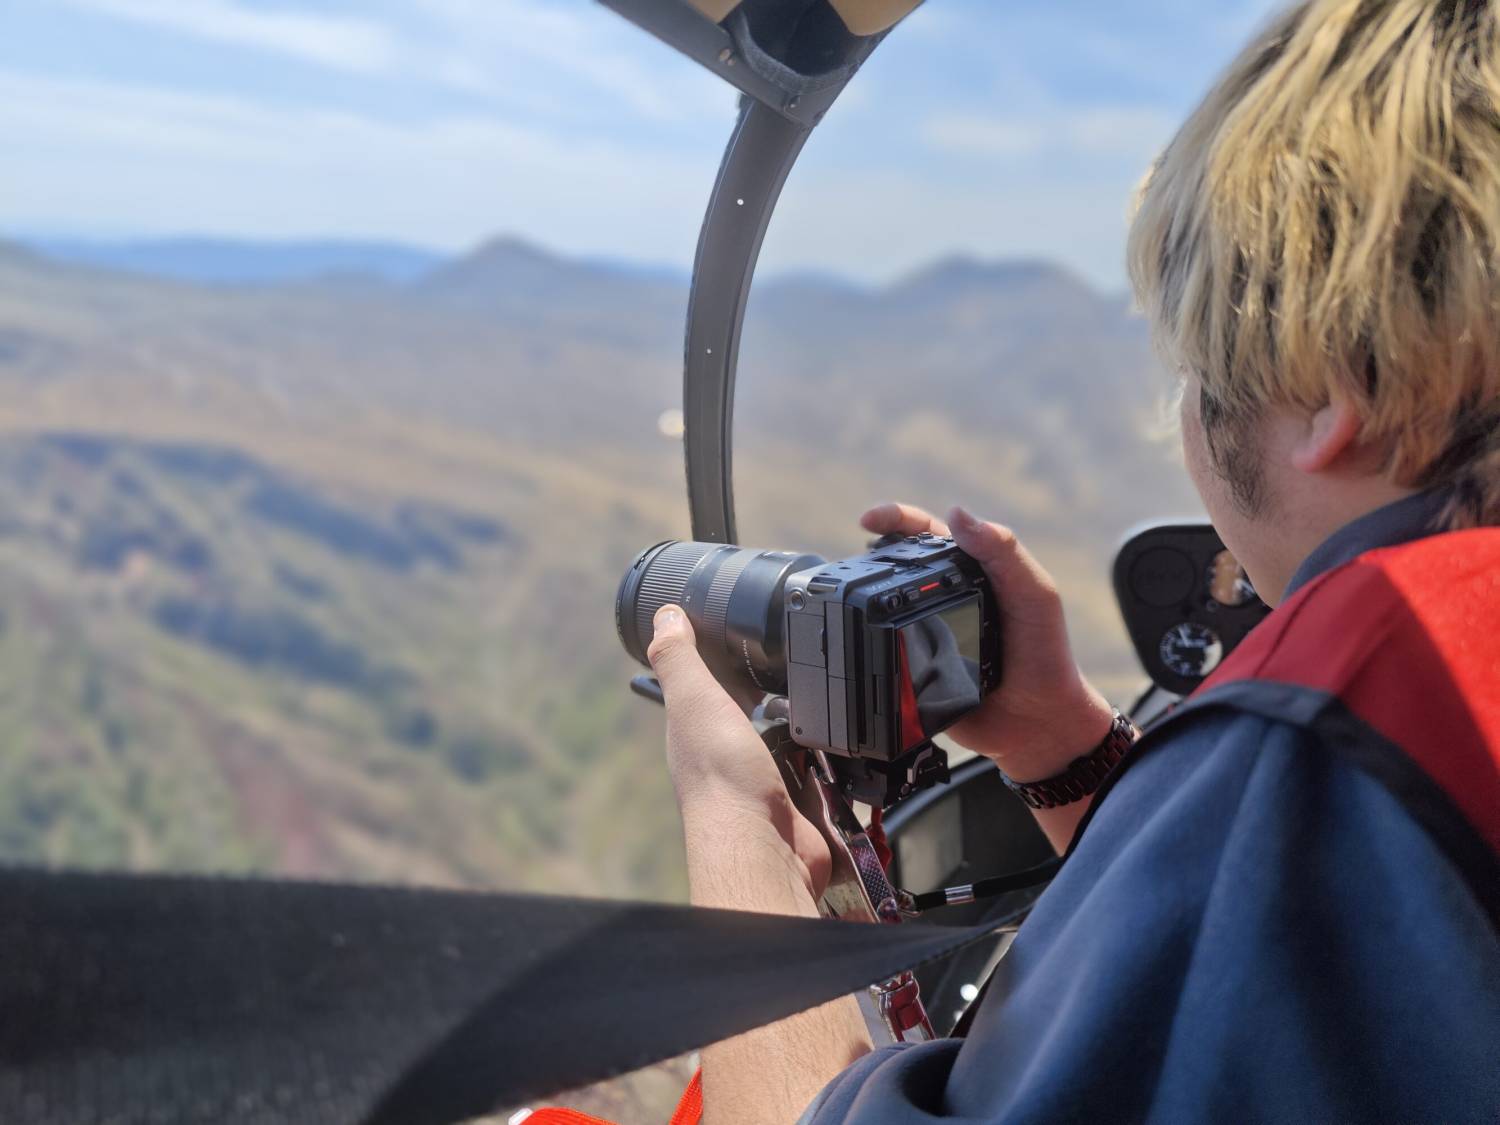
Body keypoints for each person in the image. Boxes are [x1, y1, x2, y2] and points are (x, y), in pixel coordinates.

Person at [644, 1, 1500, 1121]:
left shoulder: (1355, 708)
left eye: (1196, 360)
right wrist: (1065, 748)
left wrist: (741, 829)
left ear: (1336, 389)